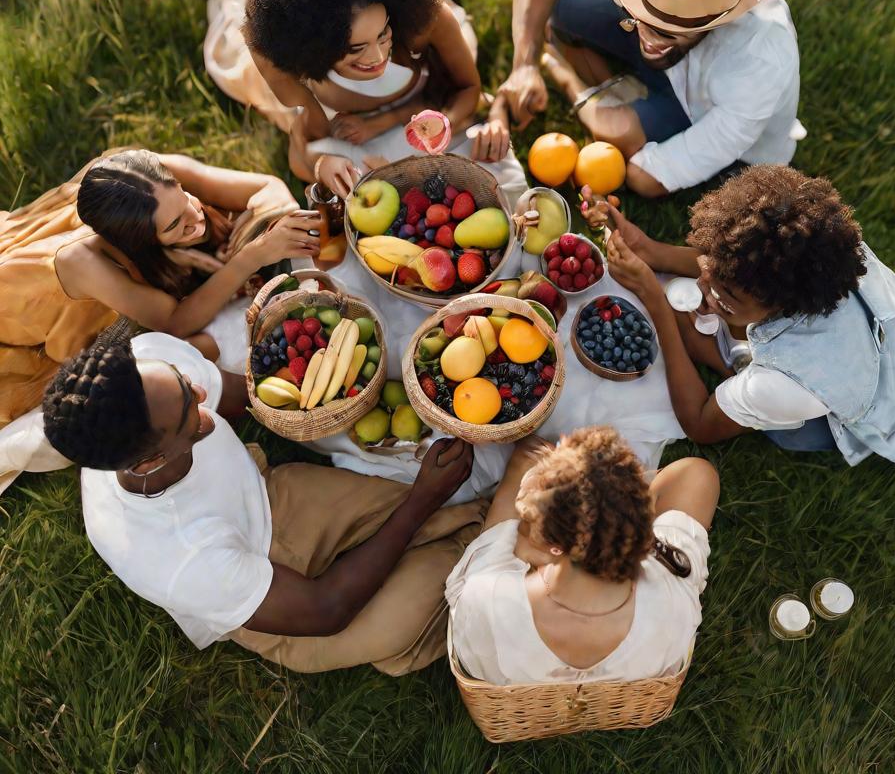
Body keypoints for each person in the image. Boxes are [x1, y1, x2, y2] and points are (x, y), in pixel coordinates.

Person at [42, 340, 484, 675]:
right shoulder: (178, 555)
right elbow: (325, 609)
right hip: (272, 609)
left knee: (444, 514)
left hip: (274, 497)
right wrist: (422, 499)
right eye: (187, 409)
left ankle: (461, 538)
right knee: (421, 602)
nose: (199, 390)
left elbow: (244, 395)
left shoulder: (147, 365)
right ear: (153, 460)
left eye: (181, 379)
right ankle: (422, 618)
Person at [591, 165, 895, 464]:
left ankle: (743, 376)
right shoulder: (805, 244)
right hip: (891, 338)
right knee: (705, 317)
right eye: (711, 266)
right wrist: (651, 251)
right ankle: (737, 357)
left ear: (781, 309)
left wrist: (655, 301)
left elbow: (699, 425)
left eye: (726, 293)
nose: (702, 282)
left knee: (785, 432)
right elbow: (728, 268)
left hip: (875, 408)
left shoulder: (793, 384)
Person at [0, 148, 315, 431]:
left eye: (184, 196)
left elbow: (265, 187)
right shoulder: (83, 263)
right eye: (175, 224)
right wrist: (252, 256)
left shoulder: (144, 176)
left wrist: (276, 219)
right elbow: (174, 322)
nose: (196, 216)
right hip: (18, 310)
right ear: (141, 243)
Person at [496, 0, 803, 197]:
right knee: (560, 3)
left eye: (664, 31)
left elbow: (649, 177)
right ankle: (617, 83)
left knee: (621, 141)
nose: (642, 36)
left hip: (701, 111)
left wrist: (564, 78)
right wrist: (523, 65)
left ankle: (589, 81)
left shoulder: (758, 65)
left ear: (716, 24)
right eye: (632, 14)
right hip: (679, 69)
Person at [243, 0, 512, 197]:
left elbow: (469, 88)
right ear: (316, 46)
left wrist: (441, 123)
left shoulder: (429, 23)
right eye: (356, 48)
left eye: (383, 33)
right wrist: (322, 165)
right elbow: (304, 149)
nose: (377, 57)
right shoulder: (296, 68)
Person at [446, 430, 719, 685]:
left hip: (519, 664)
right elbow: (694, 476)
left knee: (525, 456)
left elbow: (478, 571)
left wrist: (523, 541)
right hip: (636, 659)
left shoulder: (488, 595)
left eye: (526, 524)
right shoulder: (670, 599)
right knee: (697, 472)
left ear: (550, 545)